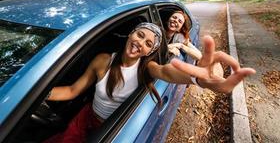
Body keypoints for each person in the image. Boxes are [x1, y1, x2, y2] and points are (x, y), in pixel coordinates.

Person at [45, 22, 255, 143]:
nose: (139, 43)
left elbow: (167, 72)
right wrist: (36, 95)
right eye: (139, 35)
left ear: (150, 52)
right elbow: (72, 90)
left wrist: (202, 80)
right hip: (86, 117)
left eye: (147, 43)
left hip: (110, 128)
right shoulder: (103, 60)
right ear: (131, 33)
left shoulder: (147, 68)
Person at [164, 10, 223, 76]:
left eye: (180, 21)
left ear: (180, 29)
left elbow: (200, 56)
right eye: (174, 17)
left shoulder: (179, 37)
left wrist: (181, 45)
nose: (175, 20)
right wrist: (168, 47)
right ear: (168, 19)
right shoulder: (158, 31)